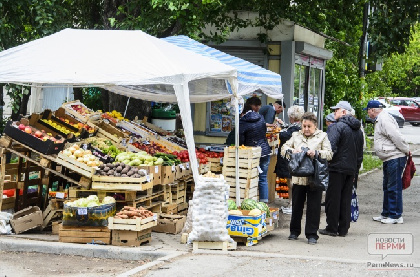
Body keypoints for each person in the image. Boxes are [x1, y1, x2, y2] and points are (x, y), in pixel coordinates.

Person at [281, 112, 333, 245]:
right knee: (297, 205)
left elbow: (329, 154)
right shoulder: (295, 135)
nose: (306, 129)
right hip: (298, 176)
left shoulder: (322, 136)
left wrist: (316, 153)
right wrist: (292, 151)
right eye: (304, 126)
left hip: (315, 177)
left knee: (314, 207)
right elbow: (283, 148)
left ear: (315, 126)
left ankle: (312, 234)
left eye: (309, 126)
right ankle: (294, 231)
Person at [319, 101, 364, 237]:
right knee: (345, 198)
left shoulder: (336, 127)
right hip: (350, 169)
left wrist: (325, 163)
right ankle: (343, 228)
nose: (334, 113)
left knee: (333, 198)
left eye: (336, 110)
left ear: (344, 112)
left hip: (336, 168)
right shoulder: (358, 130)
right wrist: (356, 171)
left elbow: (330, 148)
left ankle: (332, 227)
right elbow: (359, 154)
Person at [365, 100, 409, 224]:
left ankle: (395, 216)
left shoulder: (384, 119)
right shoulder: (381, 119)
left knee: (393, 187)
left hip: (395, 156)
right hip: (389, 157)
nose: (368, 113)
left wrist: (405, 150)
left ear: (372, 110)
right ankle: (386, 213)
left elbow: (396, 136)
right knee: (387, 187)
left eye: (368, 110)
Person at [275, 105, 304, 214]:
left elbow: (286, 135)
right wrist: (283, 125)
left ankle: (293, 205)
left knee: (292, 182)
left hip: (290, 158)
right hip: (292, 157)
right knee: (291, 181)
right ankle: (292, 203)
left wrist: (281, 130)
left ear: (292, 116)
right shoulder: (298, 126)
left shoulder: (296, 129)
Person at [239, 104, 271, 203]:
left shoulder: (243, 121)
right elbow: (263, 132)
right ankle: (263, 203)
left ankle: (250, 201)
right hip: (265, 151)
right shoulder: (261, 118)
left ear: (243, 113)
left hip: (252, 153)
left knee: (250, 177)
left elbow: (241, 139)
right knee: (263, 178)